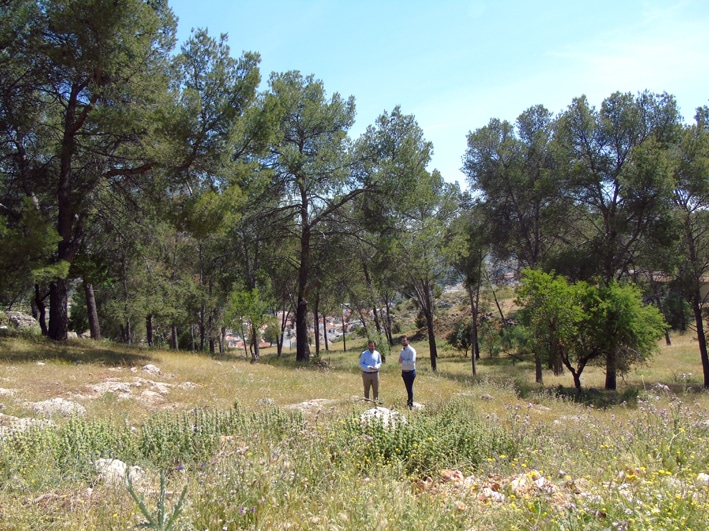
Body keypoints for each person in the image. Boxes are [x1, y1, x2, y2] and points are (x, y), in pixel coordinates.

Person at [398, 335, 416, 409]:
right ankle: (409, 402)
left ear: (408, 341)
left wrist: (403, 361)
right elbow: (400, 359)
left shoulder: (411, 350)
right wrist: (400, 361)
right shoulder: (402, 350)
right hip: (404, 372)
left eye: (405, 340)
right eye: (402, 341)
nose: (403, 342)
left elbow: (412, 361)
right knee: (408, 388)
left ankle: (410, 404)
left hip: (410, 372)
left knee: (409, 388)